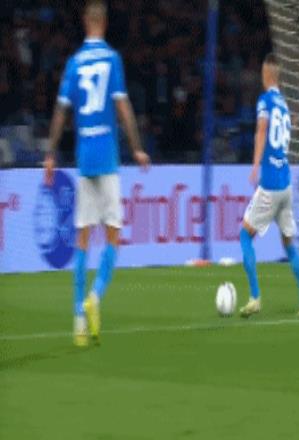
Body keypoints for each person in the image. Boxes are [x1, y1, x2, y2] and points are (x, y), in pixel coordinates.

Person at [43, 0, 150, 346]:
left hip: (84, 159)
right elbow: (122, 106)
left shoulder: (74, 62)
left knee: (82, 240)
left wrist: (50, 153)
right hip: (107, 158)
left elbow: (61, 111)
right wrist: (137, 147)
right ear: (104, 23)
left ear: (85, 22)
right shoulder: (112, 59)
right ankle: (95, 296)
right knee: (114, 237)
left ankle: (78, 319)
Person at [239, 53, 299, 318]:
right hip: (286, 183)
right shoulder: (284, 105)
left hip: (270, 183)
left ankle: (255, 297)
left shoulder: (265, 101)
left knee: (245, 235)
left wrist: (255, 164)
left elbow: (262, 130)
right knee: (289, 243)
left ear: (266, 74)